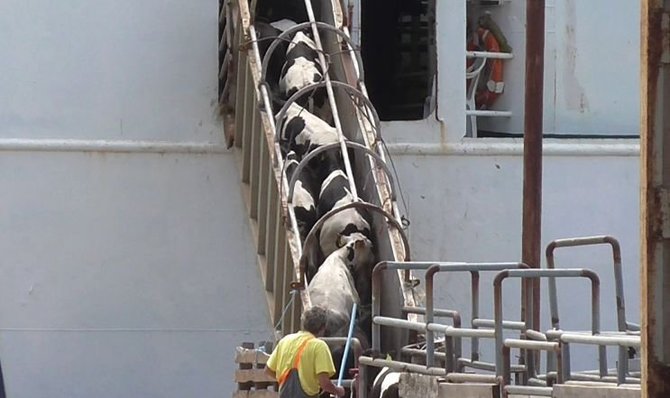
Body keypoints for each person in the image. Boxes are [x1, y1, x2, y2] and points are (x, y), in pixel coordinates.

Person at [265, 306, 346, 397]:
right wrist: (338, 391)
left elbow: (268, 370)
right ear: (323, 327)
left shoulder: (285, 340)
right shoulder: (319, 346)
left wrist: (284, 379)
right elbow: (325, 384)